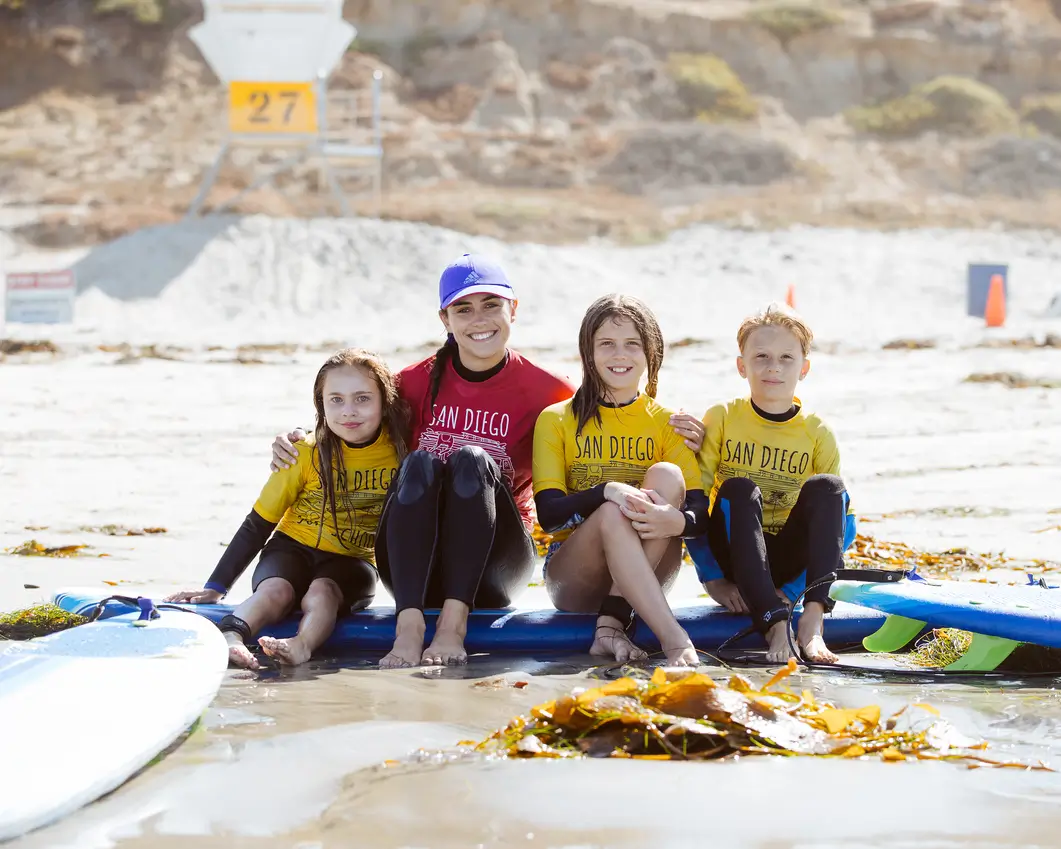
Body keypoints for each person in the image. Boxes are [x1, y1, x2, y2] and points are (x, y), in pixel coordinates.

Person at [271, 254, 577, 668]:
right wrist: (298, 439)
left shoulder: (551, 391)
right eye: (463, 309)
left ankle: (453, 625)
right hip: (413, 569)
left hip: (495, 568)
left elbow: (602, 438)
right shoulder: (410, 383)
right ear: (445, 319)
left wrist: (677, 427)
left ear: (514, 310)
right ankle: (409, 626)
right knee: (420, 463)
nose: (478, 319)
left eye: (491, 305)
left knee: (471, 459)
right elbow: (350, 422)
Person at [166, 348, 407, 670]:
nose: (348, 411)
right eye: (335, 399)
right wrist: (215, 587)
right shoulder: (303, 453)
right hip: (292, 548)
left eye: (362, 399)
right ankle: (231, 638)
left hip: (354, 561)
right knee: (275, 590)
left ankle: (300, 646)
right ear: (320, 404)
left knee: (323, 593)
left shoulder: (402, 452)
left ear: (384, 401)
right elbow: (259, 523)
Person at [533, 294, 707, 666]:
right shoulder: (556, 419)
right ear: (588, 351)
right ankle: (674, 639)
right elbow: (549, 517)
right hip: (575, 579)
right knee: (612, 511)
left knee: (667, 474)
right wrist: (606, 491)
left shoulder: (667, 423)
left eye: (632, 344)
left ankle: (611, 624)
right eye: (606, 344)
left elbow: (700, 515)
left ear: (651, 353)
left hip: (651, 569)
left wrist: (678, 521)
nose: (620, 355)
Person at [685, 303, 857, 664]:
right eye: (760, 356)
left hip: (787, 562)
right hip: (736, 553)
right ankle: (774, 625)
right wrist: (714, 581)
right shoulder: (722, 418)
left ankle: (812, 621)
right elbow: (694, 505)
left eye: (786, 358)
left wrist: (794, 591)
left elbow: (844, 525)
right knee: (738, 489)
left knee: (829, 488)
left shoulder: (817, 432)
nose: (773, 367)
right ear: (741, 365)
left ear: (804, 368)